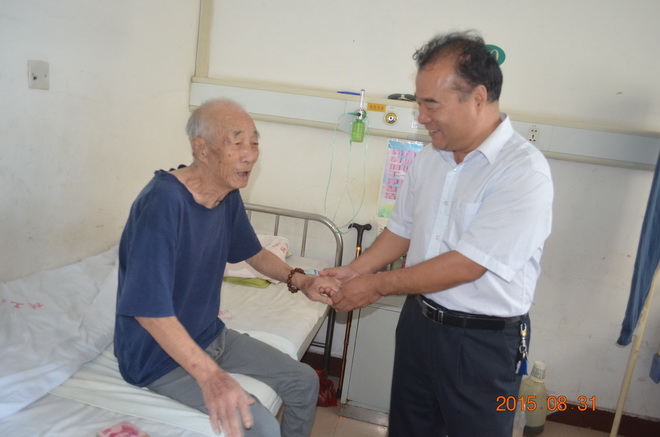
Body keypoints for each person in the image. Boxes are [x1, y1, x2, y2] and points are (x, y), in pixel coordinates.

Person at [321, 31, 553, 437]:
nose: (422, 117)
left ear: (478, 98)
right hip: (420, 324)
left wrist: (376, 285)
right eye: (419, 103)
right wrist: (356, 271)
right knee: (409, 428)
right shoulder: (431, 158)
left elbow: (468, 265)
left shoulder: (522, 172)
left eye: (432, 104)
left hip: (481, 342)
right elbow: (402, 230)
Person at [114, 99, 340, 437]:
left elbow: (252, 252)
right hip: (156, 358)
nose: (249, 155)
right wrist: (211, 377)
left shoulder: (226, 194)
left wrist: (301, 279)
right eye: (237, 143)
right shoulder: (164, 203)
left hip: (209, 334)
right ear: (201, 149)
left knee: (304, 381)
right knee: (259, 425)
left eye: (254, 142)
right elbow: (148, 311)